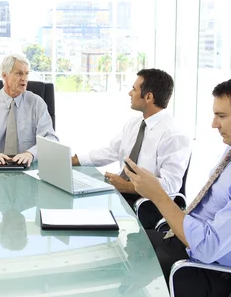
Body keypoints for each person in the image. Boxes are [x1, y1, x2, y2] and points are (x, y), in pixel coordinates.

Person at [53, 79, 231, 297]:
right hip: (185, 244)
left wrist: (156, 195)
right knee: (110, 244)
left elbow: (205, 247)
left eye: (222, 116)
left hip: (208, 273)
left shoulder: (175, 135)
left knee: (109, 267)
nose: (212, 124)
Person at [72, 69, 191, 209]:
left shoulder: (173, 135)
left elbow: (171, 186)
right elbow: (110, 151)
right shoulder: (134, 123)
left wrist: (129, 187)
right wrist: (74, 160)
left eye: (134, 89)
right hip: (122, 196)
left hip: (146, 205)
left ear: (148, 97)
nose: (130, 93)